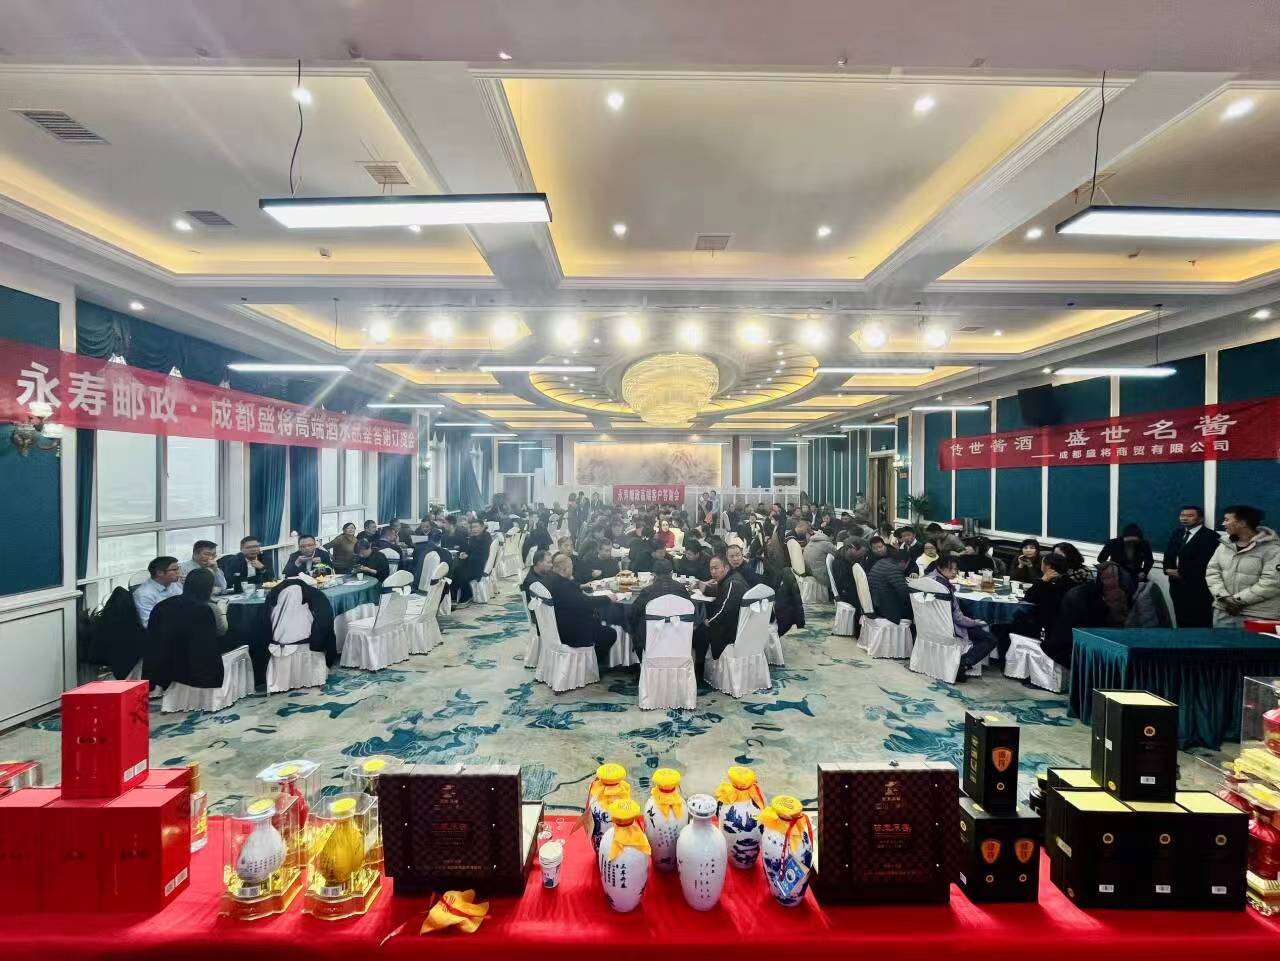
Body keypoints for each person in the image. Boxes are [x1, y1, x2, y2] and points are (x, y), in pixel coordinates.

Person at [146, 568, 240, 690]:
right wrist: (222, 611)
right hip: (199, 665)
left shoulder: (164, 605)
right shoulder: (208, 608)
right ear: (209, 587)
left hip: (168, 659)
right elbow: (221, 631)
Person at [926, 553, 997, 683]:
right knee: (989, 639)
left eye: (956, 569)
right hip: (950, 627)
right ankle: (963, 664)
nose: (954, 572)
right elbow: (958, 619)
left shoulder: (927, 580)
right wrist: (975, 622)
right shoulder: (945, 588)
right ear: (940, 568)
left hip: (930, 624)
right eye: (950, 569)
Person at [1206, 505, 1280, 628]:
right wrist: (1223, 597)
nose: (1223, 524)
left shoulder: (1273, 549)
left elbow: (1272, 583)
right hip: (1224, 611)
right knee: (1221, 640)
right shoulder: (1225, 544)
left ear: (1242, 523)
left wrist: (1237, 600)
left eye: (1227, 520)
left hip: (1259, 614)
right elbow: (1212, 572)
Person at [991, 554, 1070, 663]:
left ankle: (1004, 663)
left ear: (1047, 566)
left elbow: (1029, 598)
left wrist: (1042, 581)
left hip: (1045, 628)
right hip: (1062, 629)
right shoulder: (1070, 582)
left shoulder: (1049, 584)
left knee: (1000, 627)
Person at [547, 553, 617, 664]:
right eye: (571, 567)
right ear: (565, 569)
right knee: (609, 634)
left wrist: (580, 586)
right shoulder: (565, 586)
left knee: (597, 621)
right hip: (571, 632)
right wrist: (608, 598)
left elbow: (569, 589)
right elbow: (586, 602)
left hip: (557, 626)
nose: (572, 570)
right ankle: (595, 664)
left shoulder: (551, 579)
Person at [1163, 505, 1218, 628]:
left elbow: (1207, 562)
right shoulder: (1177, 533)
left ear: (1201, 519)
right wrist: (1167, 569)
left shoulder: (1210, 536)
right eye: (1182, 515)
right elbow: (1168, 554)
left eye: (1190, 516)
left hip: (1198, 587)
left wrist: (1182, 573)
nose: (1185, 518)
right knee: (1180, 619)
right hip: (1176, 586)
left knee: (1199, 621)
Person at [627, 558, 692, 659]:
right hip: (678, 634)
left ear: (654, 575)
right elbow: (691, 610)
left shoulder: (648, 591)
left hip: (652, 637)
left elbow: (632, 614)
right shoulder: (681, 589)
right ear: (671, 573)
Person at [693, 555, 748, 660]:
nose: (713, 572)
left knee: (699, 631)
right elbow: (720, 593)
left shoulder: (733, 584)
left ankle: (700, 668)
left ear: (726, 568)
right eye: (711, 569)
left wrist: (709, 622)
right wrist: (702, 586)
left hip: (731, 630)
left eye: (716, 568)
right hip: (733, 623)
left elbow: (725, 611)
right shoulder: (730, 578)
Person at [134, 555, 183, 628]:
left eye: (178, 568)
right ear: (160, 573)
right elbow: (148, 624)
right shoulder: (144, 595)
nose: (178, 572)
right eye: (175, 570)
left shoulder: (174, 584)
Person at [867, 550, 912, 624]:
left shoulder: (881, 562)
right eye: (907, 564)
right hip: (886, 609)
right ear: (903, 562)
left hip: (875, 603)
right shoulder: (893, 568)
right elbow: (903, 592)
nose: (906, 567)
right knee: (913, 608)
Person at [802, 525, 838, 590]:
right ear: (832, 536)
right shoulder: (826, 544)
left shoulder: (812, 540)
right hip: (819, 575)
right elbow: (838, 554)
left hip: (808, 570)